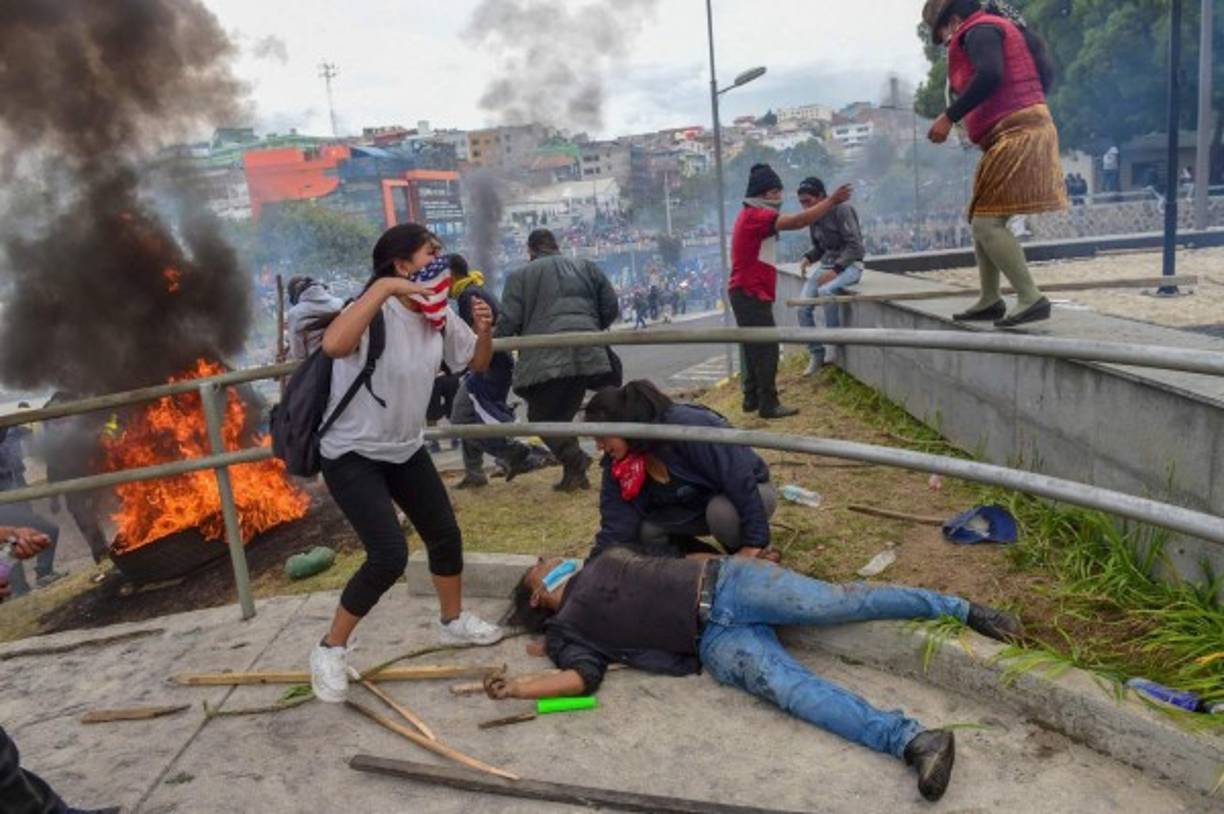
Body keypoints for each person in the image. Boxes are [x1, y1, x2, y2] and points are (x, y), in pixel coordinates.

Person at [494, 549, 1023, 802]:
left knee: (839, 602)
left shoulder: (599, 556)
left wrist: (745, 557)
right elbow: (580, 682)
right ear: (536, 595)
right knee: (795, 691)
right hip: (714, 643)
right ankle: (915, 741)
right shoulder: (567, 631)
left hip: (730, 583)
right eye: (538, 565)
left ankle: (962, 609)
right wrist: (520, 687)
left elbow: (677, 557)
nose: (547, 557)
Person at [310, 223, 503, 704]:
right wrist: (384, 289)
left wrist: (484, 332)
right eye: (430, 253)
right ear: (401, 265)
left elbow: (476, 363)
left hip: (403, 446)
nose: (441, 260)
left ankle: (452, 621)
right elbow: (334, 346)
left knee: (444, 534)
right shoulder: (373, 309)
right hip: (351, 451)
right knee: (388, 554)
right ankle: (330, 649)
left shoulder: (437, 314)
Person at [924, 0, 1066, 328]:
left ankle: (1030, 297)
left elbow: (990, 75)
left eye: (941, 33)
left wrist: (949, 116)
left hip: (1020, 131)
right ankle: (990, 298)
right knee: (980, 217)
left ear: (953, 21)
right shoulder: (986, 29)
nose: (943, 42)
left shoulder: (980, 30)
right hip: (1009, 133)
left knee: (988, 223)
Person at [583, 380, 778, 560]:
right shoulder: (619, 463)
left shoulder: (685, 426)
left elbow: (738, 477)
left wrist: (755, 541)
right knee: (645, 531)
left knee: (722, 513)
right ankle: (710, 563)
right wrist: (595, 564)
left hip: (748, 494)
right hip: (694, 507)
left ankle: (754, 554)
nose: (599, 446)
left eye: (602, 437)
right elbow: (616, 520)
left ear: (623, 425)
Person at [495, 229, 620, 493]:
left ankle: (576, 460)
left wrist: (491, 342)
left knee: (540, 417)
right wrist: (589, 329)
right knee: (562, 416)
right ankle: (574, 475)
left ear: (530, 250)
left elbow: (508, 322)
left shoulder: (519, 276)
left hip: (545, 355)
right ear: (555, 245)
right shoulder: (587, 267)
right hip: (586, 351)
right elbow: (610, 307)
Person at [729, 163, 852, 418]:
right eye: (776, 192)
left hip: (747, 290)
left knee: (754, 346)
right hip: (751, 291)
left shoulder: (750, 214)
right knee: (767, 347)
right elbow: (798, 221)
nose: (780, 198)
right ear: (764, 194)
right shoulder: (756, 216)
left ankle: (752, 398)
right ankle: (768, 403)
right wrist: (831, 201)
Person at [445, 254, 546, 490]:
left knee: (462, 419)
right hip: (492, 365)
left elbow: (473, 337)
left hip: (488, 367)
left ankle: (519, 454)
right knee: (471, 417)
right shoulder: (474, 290)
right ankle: (476, 472)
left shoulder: (469, 295)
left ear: (450, 276)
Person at [796, 177, 866, 375]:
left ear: (821, 196)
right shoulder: (813, 217)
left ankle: (832, 343)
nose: (805, 207)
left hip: (850, 265)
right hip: (826, 264)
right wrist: (809, 257)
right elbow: (820, 247)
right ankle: (816, 353)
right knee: (802, 307)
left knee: (826, 291)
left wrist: (835, 270)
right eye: (802, 203)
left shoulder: (842, 210)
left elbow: (856, 247)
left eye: (808, 201)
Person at [285, 276, 344, 360]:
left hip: (316, 361)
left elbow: (298, 354)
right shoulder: (339, 302)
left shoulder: (295, 314)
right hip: (342, 357)